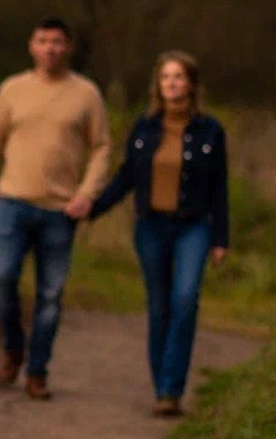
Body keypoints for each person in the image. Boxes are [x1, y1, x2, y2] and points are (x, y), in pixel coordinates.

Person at [0, 17, 111, 400]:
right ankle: (14, 346)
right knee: (1, 278)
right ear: (32, 45)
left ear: (68, 47)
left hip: (60, 210)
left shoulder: (86, 94)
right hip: (13, 203)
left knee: (50, 295)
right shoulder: (12, 89)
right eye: (43, 40)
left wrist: (87, 193)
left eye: (57, 41)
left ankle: (37, 371)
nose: (50, 48)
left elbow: (101, 148)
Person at [89, 51, 229, 416]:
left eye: (178, 76)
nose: (172, 83)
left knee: (185, 299)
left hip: (193, 227)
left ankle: (171, 389)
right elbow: (127, 176)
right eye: (166, 77)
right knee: (159, 304)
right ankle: (161, 387)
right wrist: (92, 208)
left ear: (191, 84)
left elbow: (219, 187)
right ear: (158, 84)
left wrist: (220, 238)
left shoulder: (210, 131)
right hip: (151, 226)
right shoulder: (145, 127)